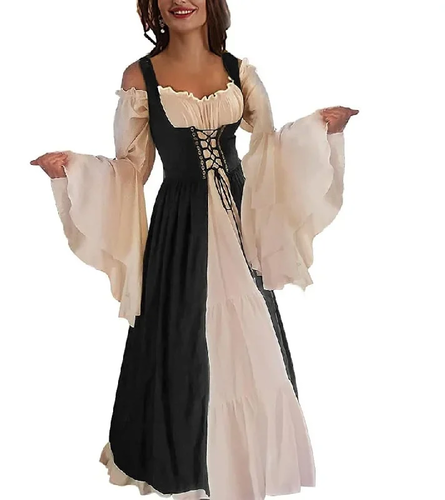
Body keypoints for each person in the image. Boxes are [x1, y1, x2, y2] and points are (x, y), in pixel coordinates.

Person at [30, 1, 358, 498]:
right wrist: (73, 170)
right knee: (182, 336)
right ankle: (187, 464)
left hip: (240, 219)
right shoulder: (140, 77)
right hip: (180, 225)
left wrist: (321, 128)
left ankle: (248, 462)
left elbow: (266, 146)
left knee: (254, 338)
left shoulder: (238, 71)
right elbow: (131, 168)